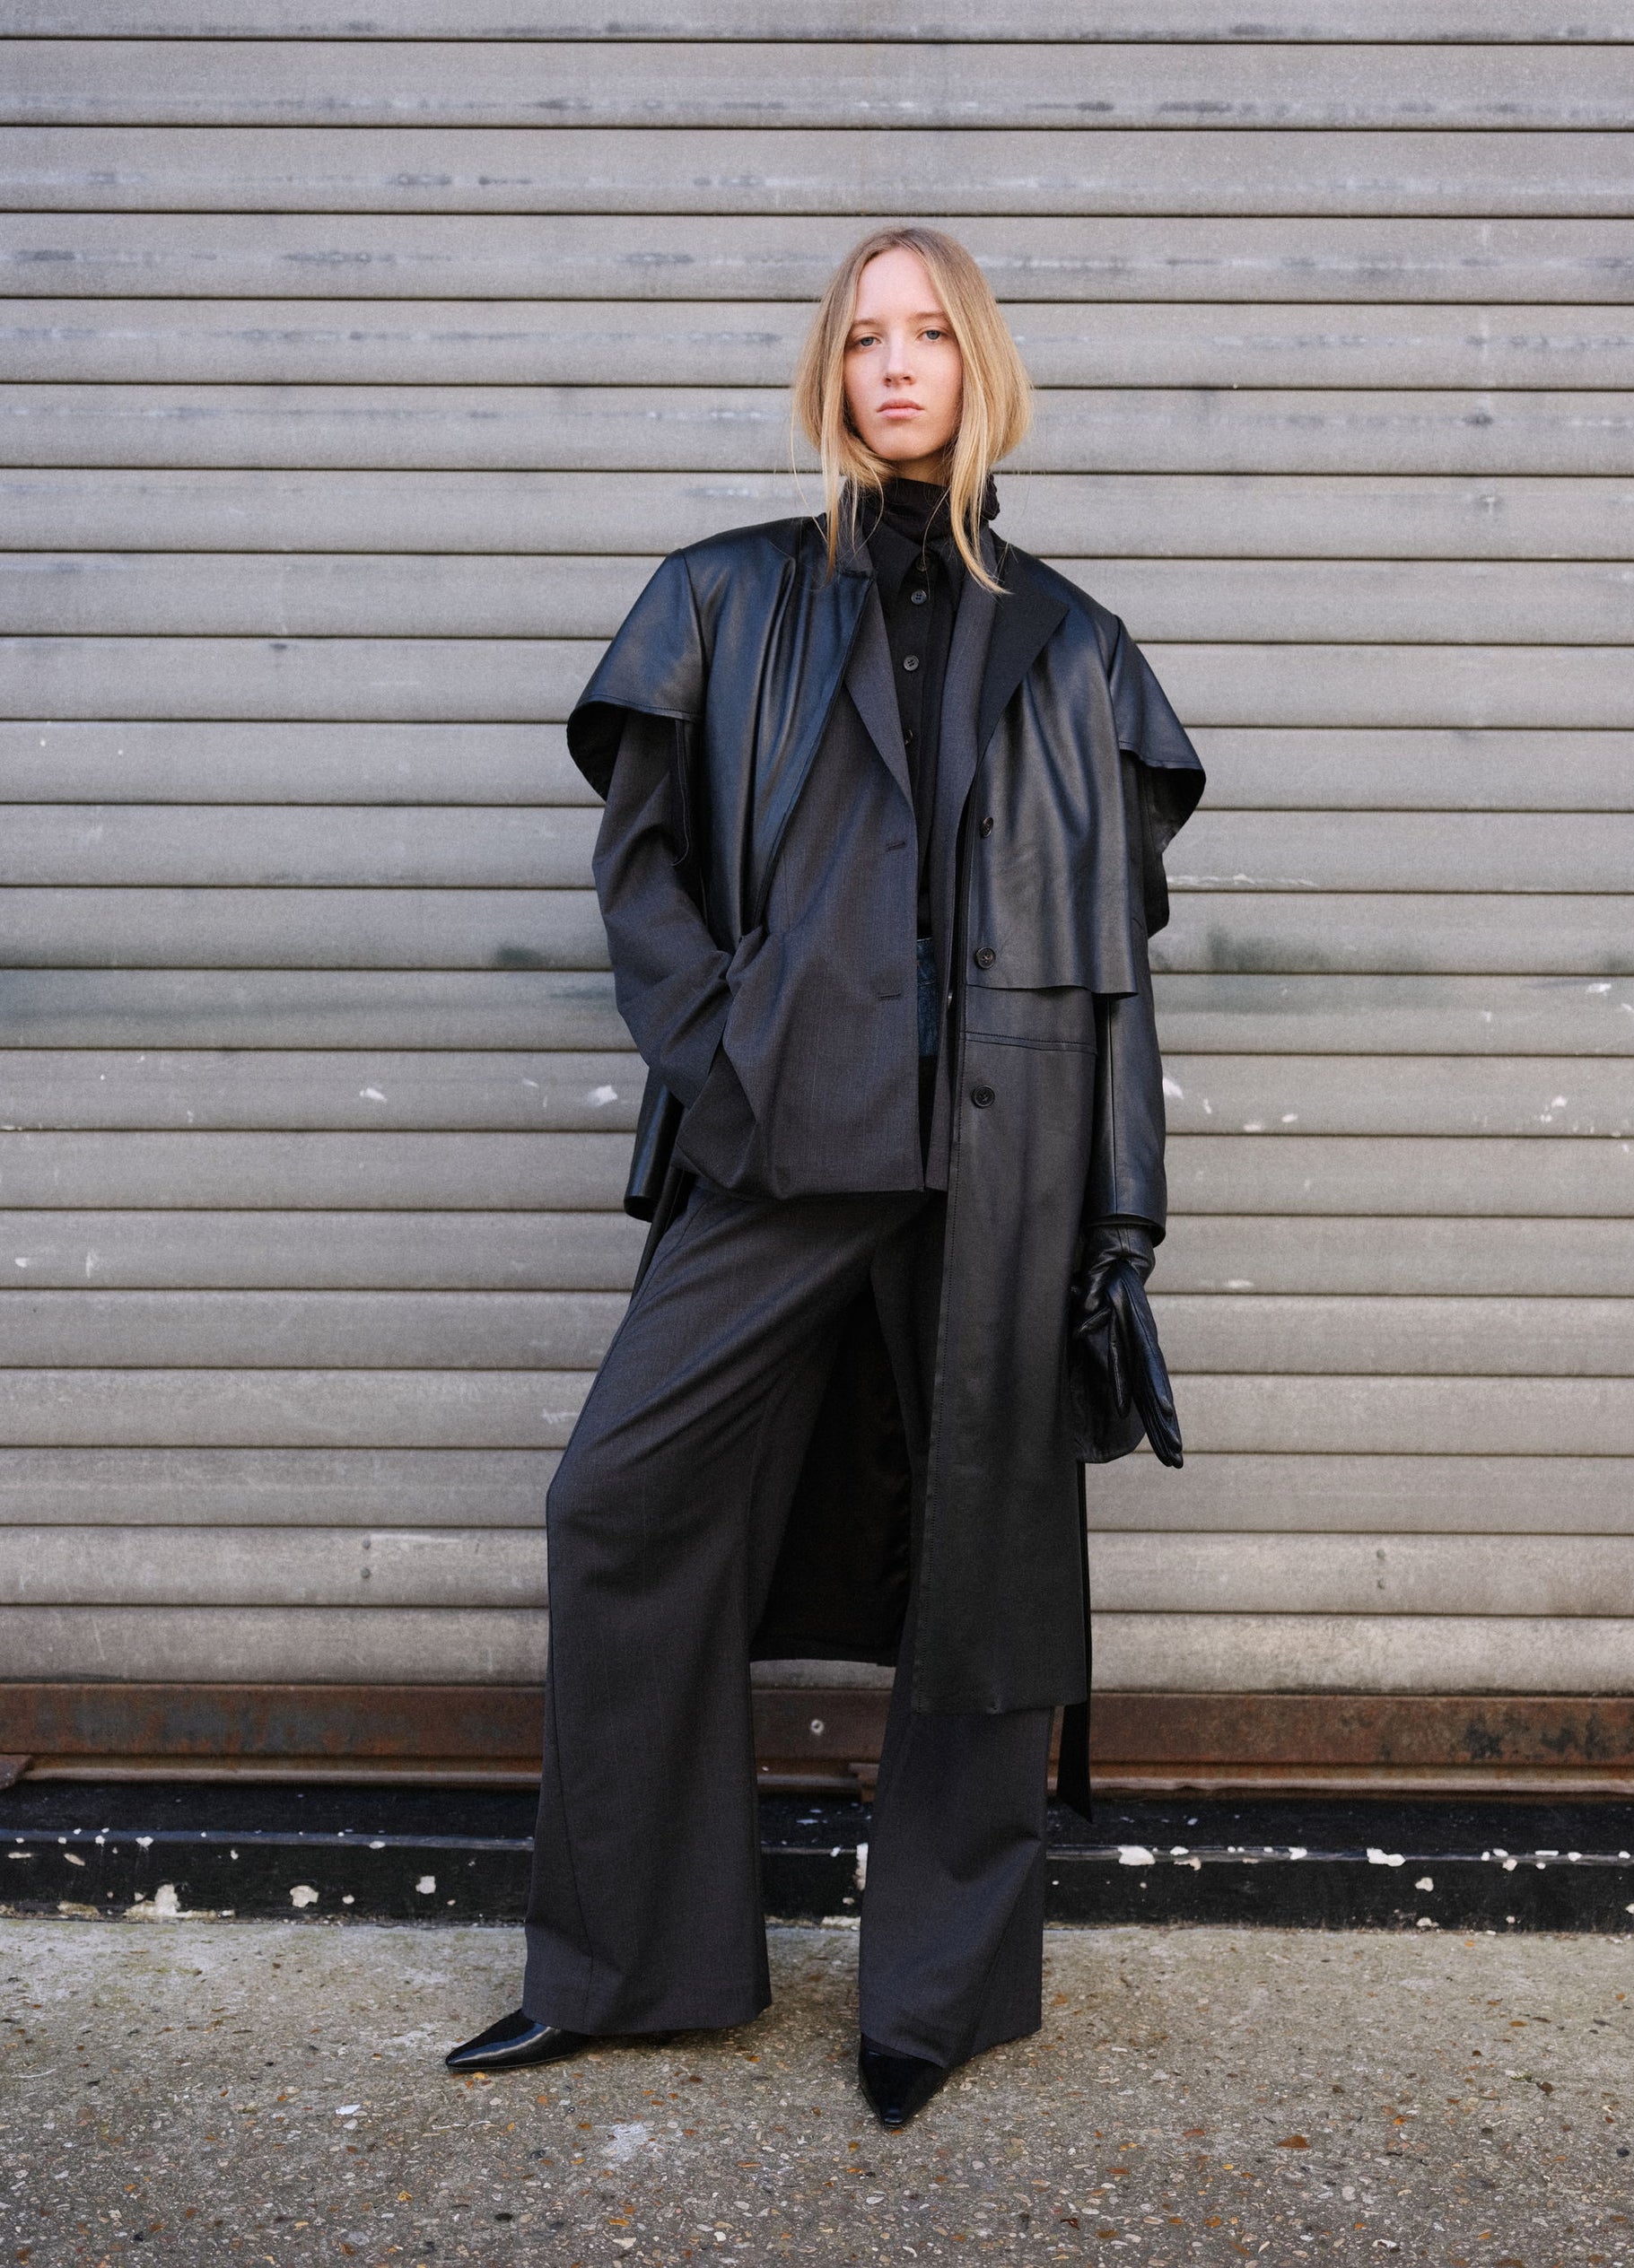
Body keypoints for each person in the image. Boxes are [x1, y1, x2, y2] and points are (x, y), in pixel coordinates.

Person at [446, 224, 1204, 2127]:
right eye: (864, 337)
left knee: (985, 1574)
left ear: (979, 364)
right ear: (830, 374)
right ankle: (632, 1968)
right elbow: (643, 877)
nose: (896, 364)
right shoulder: (722, 599)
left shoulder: (1078, 644)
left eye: (928, 332)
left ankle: (932, 2003)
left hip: (1011, 1154)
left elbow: (1121, 964)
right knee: (621, 1502)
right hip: (788, 1137)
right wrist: (730, 1069)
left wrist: (1121, 1215)